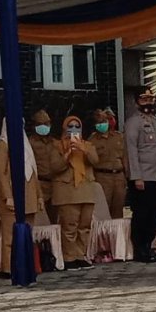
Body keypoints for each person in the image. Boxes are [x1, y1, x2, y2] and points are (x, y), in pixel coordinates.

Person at [125, 88, 156, 263]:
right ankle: (140, 249)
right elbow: (131, 151)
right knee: (142, 215)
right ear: (137, 101)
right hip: (142, 178)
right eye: (144, 99)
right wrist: (136, 177)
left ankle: (148, 245)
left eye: (150, 98)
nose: (148, 102)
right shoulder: (133, 122)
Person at [0, 118, 41, 278]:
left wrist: (39, 196)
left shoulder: (25, 145)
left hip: (28, 196)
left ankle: (26, 265)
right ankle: (9, 268)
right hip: (12, 197)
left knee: (28, 232)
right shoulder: (2, 146)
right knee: (10, 234)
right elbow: (0, 174)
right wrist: (8, 196)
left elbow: (34, 172)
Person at [51, 115, 99, 270]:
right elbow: (54, 167)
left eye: (77, 126)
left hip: (86, 190)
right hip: (67, 191)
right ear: (64, 128)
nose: (73, 130)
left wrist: (83, 149)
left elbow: (95, 161)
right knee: (69, 226)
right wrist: (67, 155)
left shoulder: (88, 145)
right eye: (70, 126)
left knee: (84, 226)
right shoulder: (57, 145)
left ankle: (81, 255)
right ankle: (69, 257)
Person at [89, 108, 127, 219]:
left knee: (118, 209)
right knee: (103, 209)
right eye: (99, 122)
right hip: (102, 177)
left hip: (119, 177)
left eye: (104, 121)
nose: (102, 124)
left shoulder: (118, 137)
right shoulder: (92, 140)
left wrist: (127, 176)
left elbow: (125, 157)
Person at [28, 109, 59, 224]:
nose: (44, 127)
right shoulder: (30, 143)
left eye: (46, 124)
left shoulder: (55, 143)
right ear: (34, 126)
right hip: (40, 184)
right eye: (40, 124)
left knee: (54, 219)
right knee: (39, 220)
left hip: (55, 184)